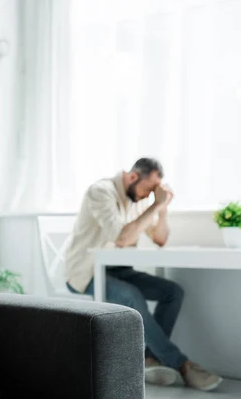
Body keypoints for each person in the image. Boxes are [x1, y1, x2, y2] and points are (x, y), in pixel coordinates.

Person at [64, 158, 222, 392]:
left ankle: (148, 359)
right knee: (131, 296)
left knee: (172, 292)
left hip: (119, 270)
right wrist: (152, 206)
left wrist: (162, 208)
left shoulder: (139, 199)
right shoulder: (101, 192)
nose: (150, 195)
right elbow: (122, 238)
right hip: (85, 273)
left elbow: (160, 239)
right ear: (132, 177)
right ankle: (182, 365)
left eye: (153, 192)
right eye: (148, 189)